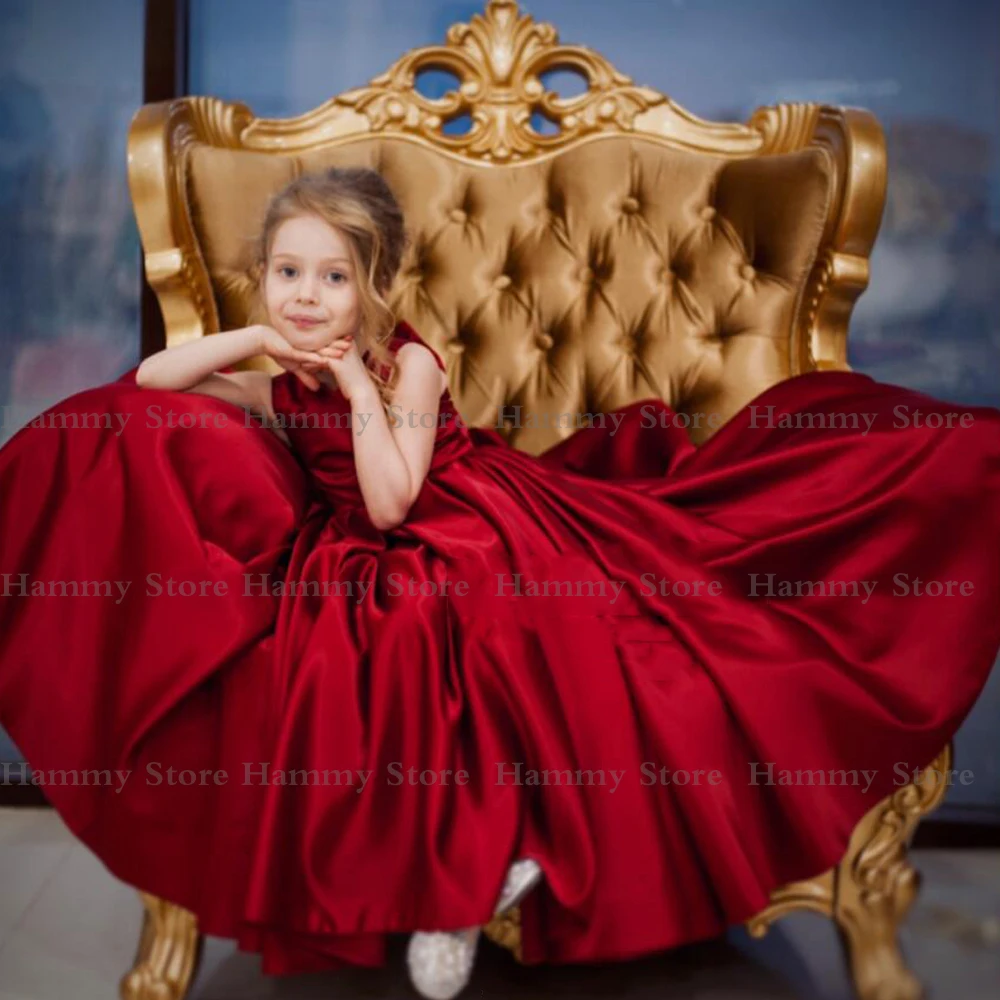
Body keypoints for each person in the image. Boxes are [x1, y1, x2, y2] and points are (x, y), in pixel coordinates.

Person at [0, 167, 999, 1000]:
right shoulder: (273, 367)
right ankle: (461, 874)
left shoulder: (409, 366)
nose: (305, 296)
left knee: (462, 605)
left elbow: (393, 501)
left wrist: (355, 384)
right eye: (285, 273)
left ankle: (477, 876)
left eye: (331, 277)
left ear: (374, 285)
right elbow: (148, 389)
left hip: (467, 515)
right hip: (363, 543)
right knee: (377, 631)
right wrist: (256, 343)